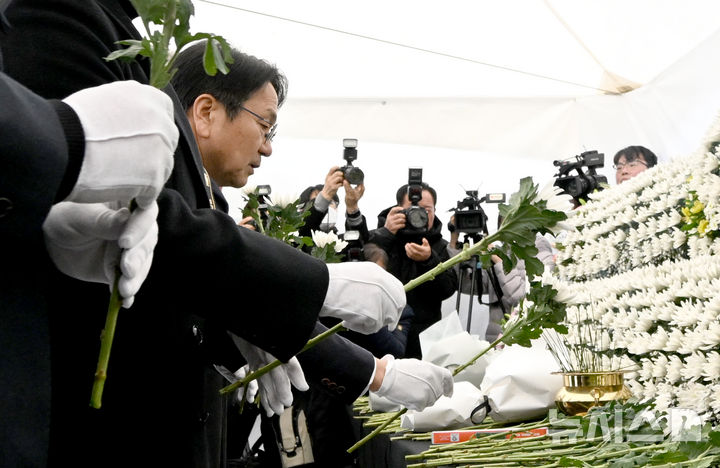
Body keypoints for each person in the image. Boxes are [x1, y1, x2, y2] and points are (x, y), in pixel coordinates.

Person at [2, 2, 453, 467]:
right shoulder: (63, 16)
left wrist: (236, 328)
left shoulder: (205, 177)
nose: (269, 146)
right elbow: (140, 221)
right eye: (265, 124)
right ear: (205, 112)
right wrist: (323, 289)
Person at [369, 181, 458, 359]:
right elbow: (364, 271)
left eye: (427, 209)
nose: (420, 214)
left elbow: (448, 288)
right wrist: (386, 233)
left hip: (423, 339)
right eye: (413, 208)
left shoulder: (440, 246)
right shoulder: (380, 237)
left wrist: (429, 261)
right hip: (381, 334)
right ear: (399, 209)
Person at [448, 215, 555, 342]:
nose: (508, 229)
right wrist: (454, 242)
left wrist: (499, 260)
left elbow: (524, 299)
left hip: (527, 342)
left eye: (513, 222)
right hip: (497, 340)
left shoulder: (542, 255)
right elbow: (468, 285)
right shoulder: (499, 254)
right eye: (504, 224)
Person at [298, 166, 370, 241]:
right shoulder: (291, 239)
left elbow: (361, 243)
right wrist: (325, 196)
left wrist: (352, 207)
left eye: (331, 202)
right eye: (317, 199)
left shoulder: (340, 243)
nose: (327, 206)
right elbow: (304, 231)